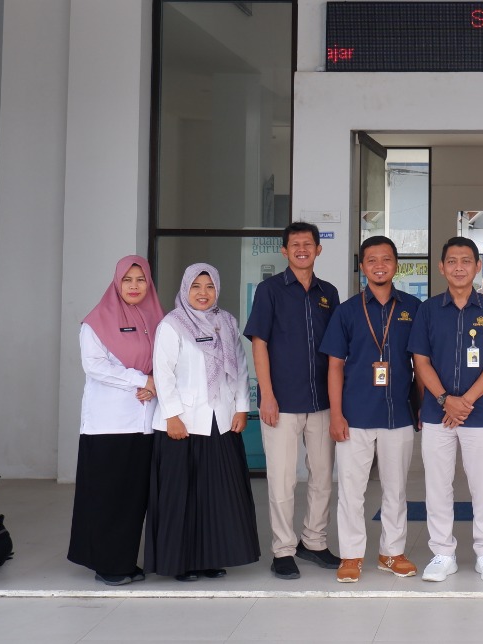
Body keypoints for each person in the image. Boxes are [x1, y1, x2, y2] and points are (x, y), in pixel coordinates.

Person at [144, 264, 260, 581]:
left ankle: (211, 557)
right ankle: (180, 563)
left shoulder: (227, 323)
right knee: (181, 497)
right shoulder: (172, 325)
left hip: (220, 422)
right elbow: (163, 373)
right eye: (196, 286)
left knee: (215, 496)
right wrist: (172, 416)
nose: (203, 293)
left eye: (209, 286)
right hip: (181, 424)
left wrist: (241, 408)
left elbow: (240, 369)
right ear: (185, 289)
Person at [409, 236, 483, 582]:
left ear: (477, 266)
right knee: (438, 485)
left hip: (478, 415)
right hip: (436, 413)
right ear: (441, 267)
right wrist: (445, 400)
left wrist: (465, 401)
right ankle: (443, 552)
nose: (458, 267)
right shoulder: (427, 310)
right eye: (452, 261)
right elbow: (420, 361)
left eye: (466, 261)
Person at [321, 235, 424, 583]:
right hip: (355, 414)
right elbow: (335, 365)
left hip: (399, 414)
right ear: (362, 267)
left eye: (386, 259)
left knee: (396, 489)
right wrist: (336, 414)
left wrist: (422, 406)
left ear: (396, 264)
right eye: (372, 260)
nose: (380, 266)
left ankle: (391, 552)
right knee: (352, 490)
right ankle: (351, 555)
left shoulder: (412, 308)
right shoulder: (347, 311)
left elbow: (421, 363)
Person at [243, 221, 340, 579]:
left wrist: (338, 404)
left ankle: (314, 541)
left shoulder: (328, 293)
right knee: (282, 480)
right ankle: (283, 549)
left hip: (321, 401)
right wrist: (266, 395)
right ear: (285, 251)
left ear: (318, 249)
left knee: (323, 477)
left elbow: (337, 350)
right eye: (295, 244)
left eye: (308, 244)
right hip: (281, 402)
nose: (302, 249)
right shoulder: (269, 290)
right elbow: (260, 344)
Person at [68, 255, 164, 585]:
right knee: (107, 496)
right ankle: (106, 565)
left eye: (140, 280)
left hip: (145, 425)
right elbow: (94, 366)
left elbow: (168, 362)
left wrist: (155, 383)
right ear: (117, 283)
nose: (134, 286)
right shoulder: (96, 322)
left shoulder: (158, 319)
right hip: (108, 425)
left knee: (133, 499)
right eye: (127, 280)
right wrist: (142, 380)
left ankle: (123, 560)